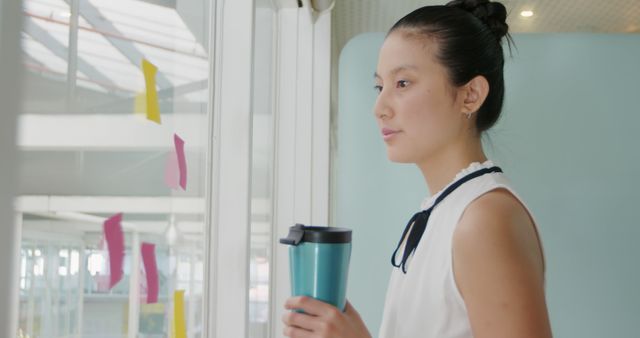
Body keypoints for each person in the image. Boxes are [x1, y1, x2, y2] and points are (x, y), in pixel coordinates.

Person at [282, 0, 552, 337]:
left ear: (470, 95)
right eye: (379, 86)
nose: (379, 108)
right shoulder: (441, 212)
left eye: (403, 83)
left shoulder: (483, 219)